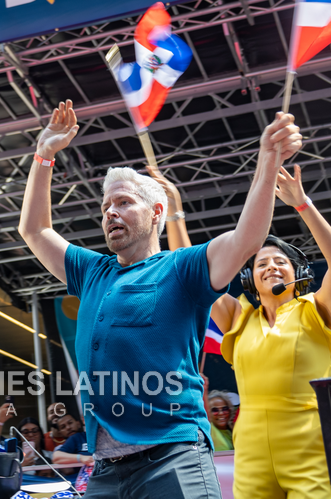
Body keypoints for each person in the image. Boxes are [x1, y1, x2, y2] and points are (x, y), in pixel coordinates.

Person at [18, 99, 302, 499]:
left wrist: (268, 161)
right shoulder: (92, 270)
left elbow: (246, 239)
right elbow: (34, 230)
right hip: (105, 470)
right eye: (105, 206)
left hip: (173, 458)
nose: (110, 213)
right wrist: (43, 154)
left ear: (156, 212)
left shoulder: (182, 267)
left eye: (123, 202)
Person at [212, 165, 331, 497]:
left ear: (297, 274)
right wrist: (175, 214)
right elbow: (199, 276)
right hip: (251, 451)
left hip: (311, 444)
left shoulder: (316, 310)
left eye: (280, 262)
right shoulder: (239, 318)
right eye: (261, 264)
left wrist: (302, 204)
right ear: (249, 280)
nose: (271, 266)